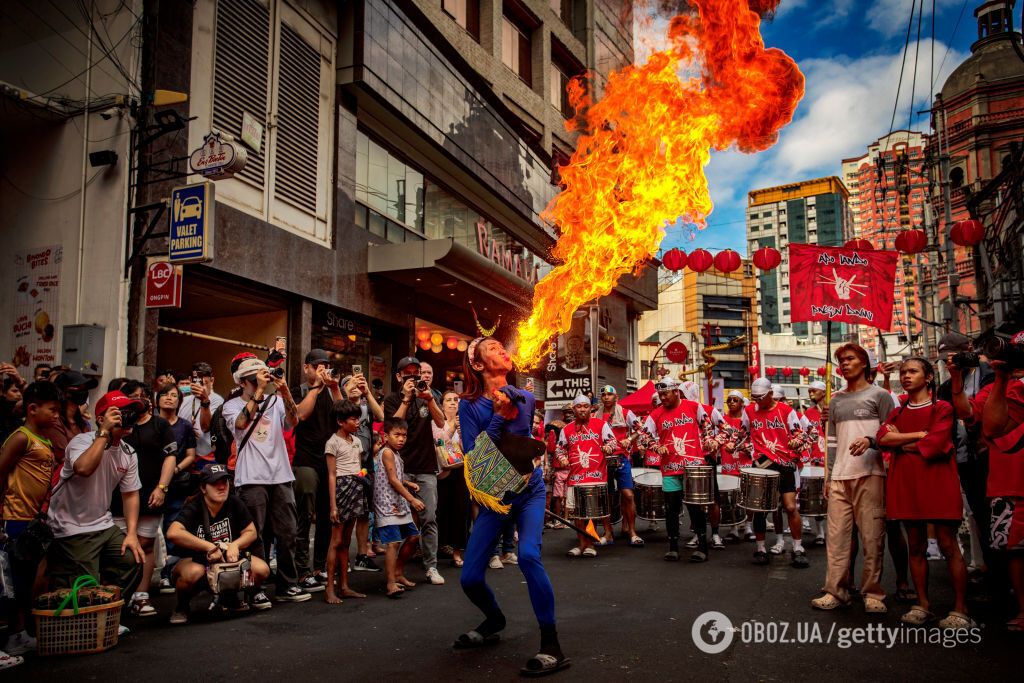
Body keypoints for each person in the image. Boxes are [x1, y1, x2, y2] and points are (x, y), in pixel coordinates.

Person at [455, 336, 568, 677]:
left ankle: (551, 645)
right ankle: (494, 619)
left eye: (501, 346)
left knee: (530, 556)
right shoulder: (468, 404)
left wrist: (504, 413)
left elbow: (517, 442)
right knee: (470, 577)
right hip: (497, 498)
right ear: (477, 364)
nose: (502, 349)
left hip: (529, 492)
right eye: (491, 348)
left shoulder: (525, 396)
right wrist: (497, 418)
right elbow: (477, 454)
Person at [877, 358, 972, 628]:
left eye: (913, 371)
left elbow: (938, 443)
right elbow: (882, 437)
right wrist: (918, 435)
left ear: (928, 377)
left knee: (947, 544)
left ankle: (960, 609)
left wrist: (901, 443)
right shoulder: (897, 411)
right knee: (916, 547)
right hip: (906, 484)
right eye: (903, 372)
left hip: (937, 482)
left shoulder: (942, 407)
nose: (906, 376)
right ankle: (923, 604)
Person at [46, 391, 145, 626]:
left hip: (102, 523)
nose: (127, 418)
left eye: (130, 413)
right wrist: (104, 433)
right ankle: (87, 625)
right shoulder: (82, 441)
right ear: (102, 418)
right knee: (85, 585)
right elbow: (84, 469)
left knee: (131, 560)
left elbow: (130, 495)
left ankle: (108, 618)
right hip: (71, 526)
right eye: (119, 413)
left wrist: (131, 534)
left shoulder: (128, 453)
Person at [950, 332, 1024, 632]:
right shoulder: (997, 386)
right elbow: (988, 425)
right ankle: (1022, 608)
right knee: (1015, 549)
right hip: (1009, 480)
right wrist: (1001, 379)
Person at [221, 357, 309, 605]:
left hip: (281, 475)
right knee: (254, 535)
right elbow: (240, 423)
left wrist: (283, 390)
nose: (259, 381)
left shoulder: (277, 401)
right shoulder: (231, 405)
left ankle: (287, 584)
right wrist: (259, 391)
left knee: (288, 533)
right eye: (253, 378)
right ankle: (254, 587)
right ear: (243, 382)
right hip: (251, 477)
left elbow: (294, 420)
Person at [810, 344, 892, 611]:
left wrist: (871, 442)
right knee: (837, 539)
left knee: (872, 537)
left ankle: (873, 593)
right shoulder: (836, 401)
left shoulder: (880, 396)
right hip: (839, 477)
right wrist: (829, 476)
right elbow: (831, 442)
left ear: (864, 363)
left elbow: (892, 435)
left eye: (850, 359)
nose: (844, 364)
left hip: (871, 473)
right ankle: (836, 591)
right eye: (841, 360)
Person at [165, 464, 270, 624]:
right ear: (203, 488)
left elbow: (251, 532)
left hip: (228, 562)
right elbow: (173, 532)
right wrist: (208, 547)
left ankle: (232, 597)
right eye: (215, 483)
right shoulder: (194, 506)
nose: (222, 487)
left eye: (225, 482)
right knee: (192, 573)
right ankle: (182, 606)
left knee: (261, 570)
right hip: (198, 562)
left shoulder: (234, 502)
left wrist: (234, 545)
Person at [0, 381, 60, 655]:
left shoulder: (45, 440)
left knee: (25, 580)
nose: (56, 415)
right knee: (12, 582)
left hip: (31, 520)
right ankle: (13, 635)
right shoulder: (21, 437)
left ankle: (20, 633)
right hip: (13, 517)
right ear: (32, 409)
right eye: (52, 410)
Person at [111, 381, 179, 618]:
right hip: (119, 496)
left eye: (143, 395)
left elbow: (170, 457)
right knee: (120, 546)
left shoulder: (160, 425)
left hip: (151, 492)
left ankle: (141, 596)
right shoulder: (120, 426)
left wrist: (162, 488)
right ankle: (117, 597)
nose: (140, 399)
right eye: (134, 396)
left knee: (146, 544)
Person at [382, 357, 446, 586]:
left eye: (416, 374)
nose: (413, 378)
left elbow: (441, 423)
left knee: (429, 518)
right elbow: (392, 427)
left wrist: (429, 400)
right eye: (408, 374)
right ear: (399, 377)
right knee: (399, 520)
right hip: (401, 467)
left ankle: (431, 567)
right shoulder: (392, 400)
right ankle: (396, 570)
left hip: (426, 466)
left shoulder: (428, 395)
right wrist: (408, 399)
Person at [640, 377, 713, 562]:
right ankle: (673, 547)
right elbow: (644, 436)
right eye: (660, 394)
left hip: (693, 467)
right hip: (670, 468)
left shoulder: (693, 407)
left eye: (666, 393)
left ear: (676, 392)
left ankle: (702, 546)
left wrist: (709, 441)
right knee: (671, 508)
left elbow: (707, 427)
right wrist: (656, 447)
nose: (662, 397)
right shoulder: (655, 414)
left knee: (695, 508)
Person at [741, 377, 810, 569]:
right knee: (760, 509)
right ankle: (761, 548)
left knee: (789, 507)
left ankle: (798, 548)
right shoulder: (749, 411)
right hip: (761, 465)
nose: (757, 401)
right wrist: (741, 446)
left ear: (771, 393)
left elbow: (799, 434)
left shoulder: (786, 411)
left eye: (761, 397)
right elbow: (742, 434)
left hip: (785, 464)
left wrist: (797, 442)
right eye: (754, 397)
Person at [290, 349, 343, 593]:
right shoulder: (299, 390)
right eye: (317, 366)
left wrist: (333, 387)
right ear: (307, 368)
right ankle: (301, 571)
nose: (322, 370)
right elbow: (300, 414)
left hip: (329, 461)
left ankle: (319, 567)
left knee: (326, 516)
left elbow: (345, 413)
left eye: (325, 366)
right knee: (304, 514)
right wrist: (317, 388)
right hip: (305, 461)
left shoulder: (331, 390)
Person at [556, 395, 616, 557]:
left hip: (596, 477)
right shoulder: (566, 429)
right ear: (574, 409)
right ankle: (582, 544)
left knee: (592, 514)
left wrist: (608, 448)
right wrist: (562, 458)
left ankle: (590, 544)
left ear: (591, 408)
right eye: (579, 407)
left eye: (585, 406)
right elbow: (560, 448)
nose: (582, 409)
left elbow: (612, 441)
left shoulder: (601, 425)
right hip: (575, 479)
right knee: (577, 514)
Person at [154, 383, 199, 595]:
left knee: (172, 527)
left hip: (178, 484)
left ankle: (168, 573)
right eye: (165, 395)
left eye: (174, 395)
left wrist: (176, 469)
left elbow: (191, 454)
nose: (169, 398)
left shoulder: (184, 426)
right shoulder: (150, 423)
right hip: (153, 483)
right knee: (152, 530)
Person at [323, 400, 369, 603]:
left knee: (346, 541)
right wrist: (333, 505)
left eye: (358, 418)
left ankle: (344, 586)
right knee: (336, 541)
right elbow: (331, 475)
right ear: (341, 422)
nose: (357, 422)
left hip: (356, 486)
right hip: (341, 488)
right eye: (353, 419)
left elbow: (359, 469)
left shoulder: (357, 441)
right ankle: (329, 589)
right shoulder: (332, 442)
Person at [374, 417, 424, 598]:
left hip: (398, 503)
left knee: (412, 537)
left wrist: (407, 483)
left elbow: (395, 476)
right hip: (388, 505)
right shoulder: (387, 452)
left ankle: (398, 572)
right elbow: (392, 480)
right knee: (393, 544)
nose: (401, 439)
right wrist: (412, 499)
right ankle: (390, 584)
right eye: (397, 435)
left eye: (404, 435)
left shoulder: (395, 454)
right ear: (386, 436)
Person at [341, 373, 384, 571]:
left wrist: (367, 392)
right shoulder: (341, 406)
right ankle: (342, 559)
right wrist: (346, 393)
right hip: (345, 466)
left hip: (366, 465)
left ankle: (362, 556)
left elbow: (382, 417)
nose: (355, 386)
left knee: (365, 513)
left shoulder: (367, 405)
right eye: (350, 383)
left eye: (358, 382)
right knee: (345, 515)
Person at [592, 385, 643, 547]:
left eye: (609, 394)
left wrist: (630, 439)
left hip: (621, 459)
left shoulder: (626, 413)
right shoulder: (595, 415)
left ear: (616, 397)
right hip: (602, 460)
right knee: (604, 496)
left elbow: (640, 429)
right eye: (604, 395)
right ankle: (608, 533)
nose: (606, 397)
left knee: (628, 494)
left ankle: (632, 532)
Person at [435, 390, 468, 567]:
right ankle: (436, 549)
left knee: (460, 511)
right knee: (440, 511)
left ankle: (457, 552)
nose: (453, 403)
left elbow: (469, 447)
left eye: (456, 400)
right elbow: (438, 442)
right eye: (449, 400)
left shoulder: (465, 423)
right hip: (442, 472)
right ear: (442, 405)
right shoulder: (436, 423)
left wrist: (462, 433)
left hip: (460, 471)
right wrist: (452, 427)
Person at [41, 371, 97, 468]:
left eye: (85, 388)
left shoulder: (82, 422)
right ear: (63, 391)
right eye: (78, 388)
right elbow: (65, 458)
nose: (83, 391)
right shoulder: (54, 422)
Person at [178, 362, 224, 473]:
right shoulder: (184, 401)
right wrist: (188, 430)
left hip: (207, 457)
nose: (200, 386)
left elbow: (206, 427)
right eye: (196, 382)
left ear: (212, 381)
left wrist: (205, 400)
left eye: (204, 383)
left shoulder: (218, 401)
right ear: (190, 380)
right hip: (186, 457)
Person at [803, 381, 828, 544]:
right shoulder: (808, 414)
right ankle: (820, 532)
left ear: (824, 392)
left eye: (814, 390)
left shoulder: (832, 408)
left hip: (832, 460)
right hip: (815, 462)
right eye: (809, 391)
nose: (811, 393)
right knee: (818, 498)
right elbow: (803, 436)